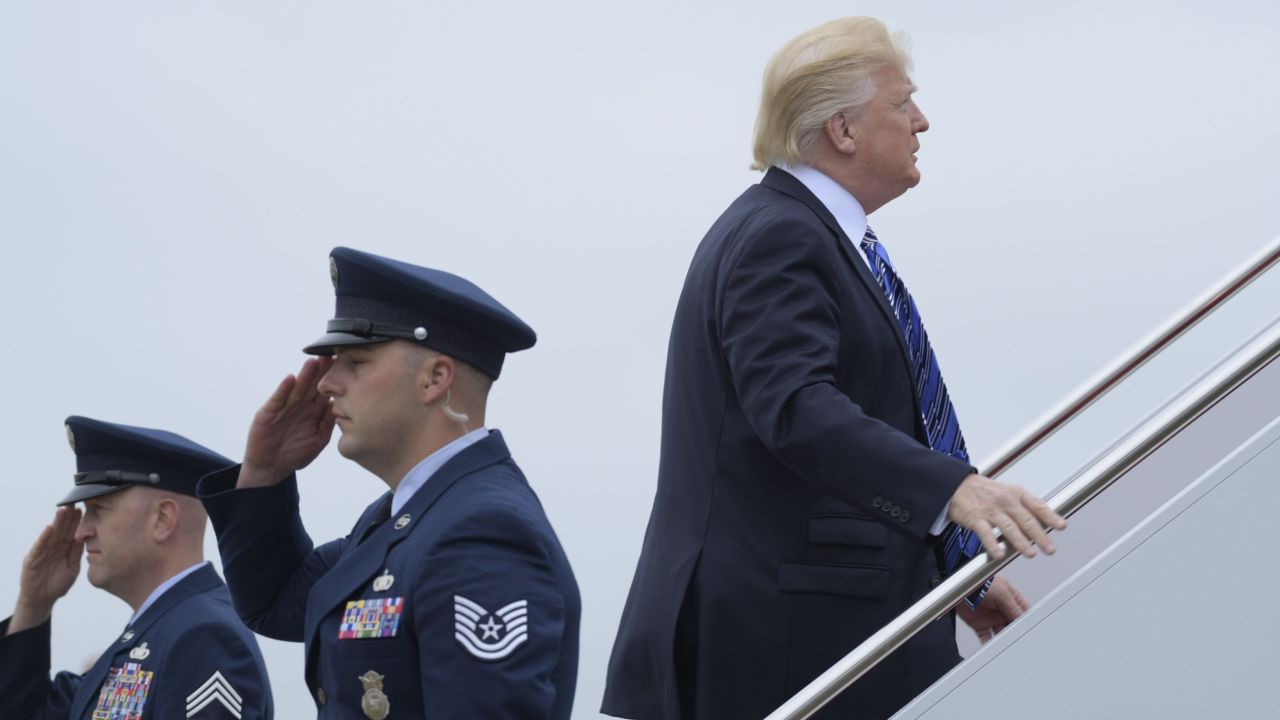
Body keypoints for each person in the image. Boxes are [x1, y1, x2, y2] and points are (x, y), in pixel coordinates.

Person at [602, 16, 1067, 720]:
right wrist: (957, 492)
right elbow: (795, 408)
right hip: (784, 645)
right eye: (901, 102)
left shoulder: (801, 232)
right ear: (843, 131)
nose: (923, 122)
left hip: (807, 633)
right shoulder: (782, 236)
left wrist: (957, 575)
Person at [198, 246, 581, 718]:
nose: (326, 384)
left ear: (434, 378)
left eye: (355, 362)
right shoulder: (405, 517)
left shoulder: (483, 530)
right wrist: (265, 473)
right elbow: (275, 602)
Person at [0, 416, 274, 720]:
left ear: (162, 519)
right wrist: (33, 605)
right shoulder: (153, 636)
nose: (81, 531)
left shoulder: (204, 637)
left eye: (99, 510)